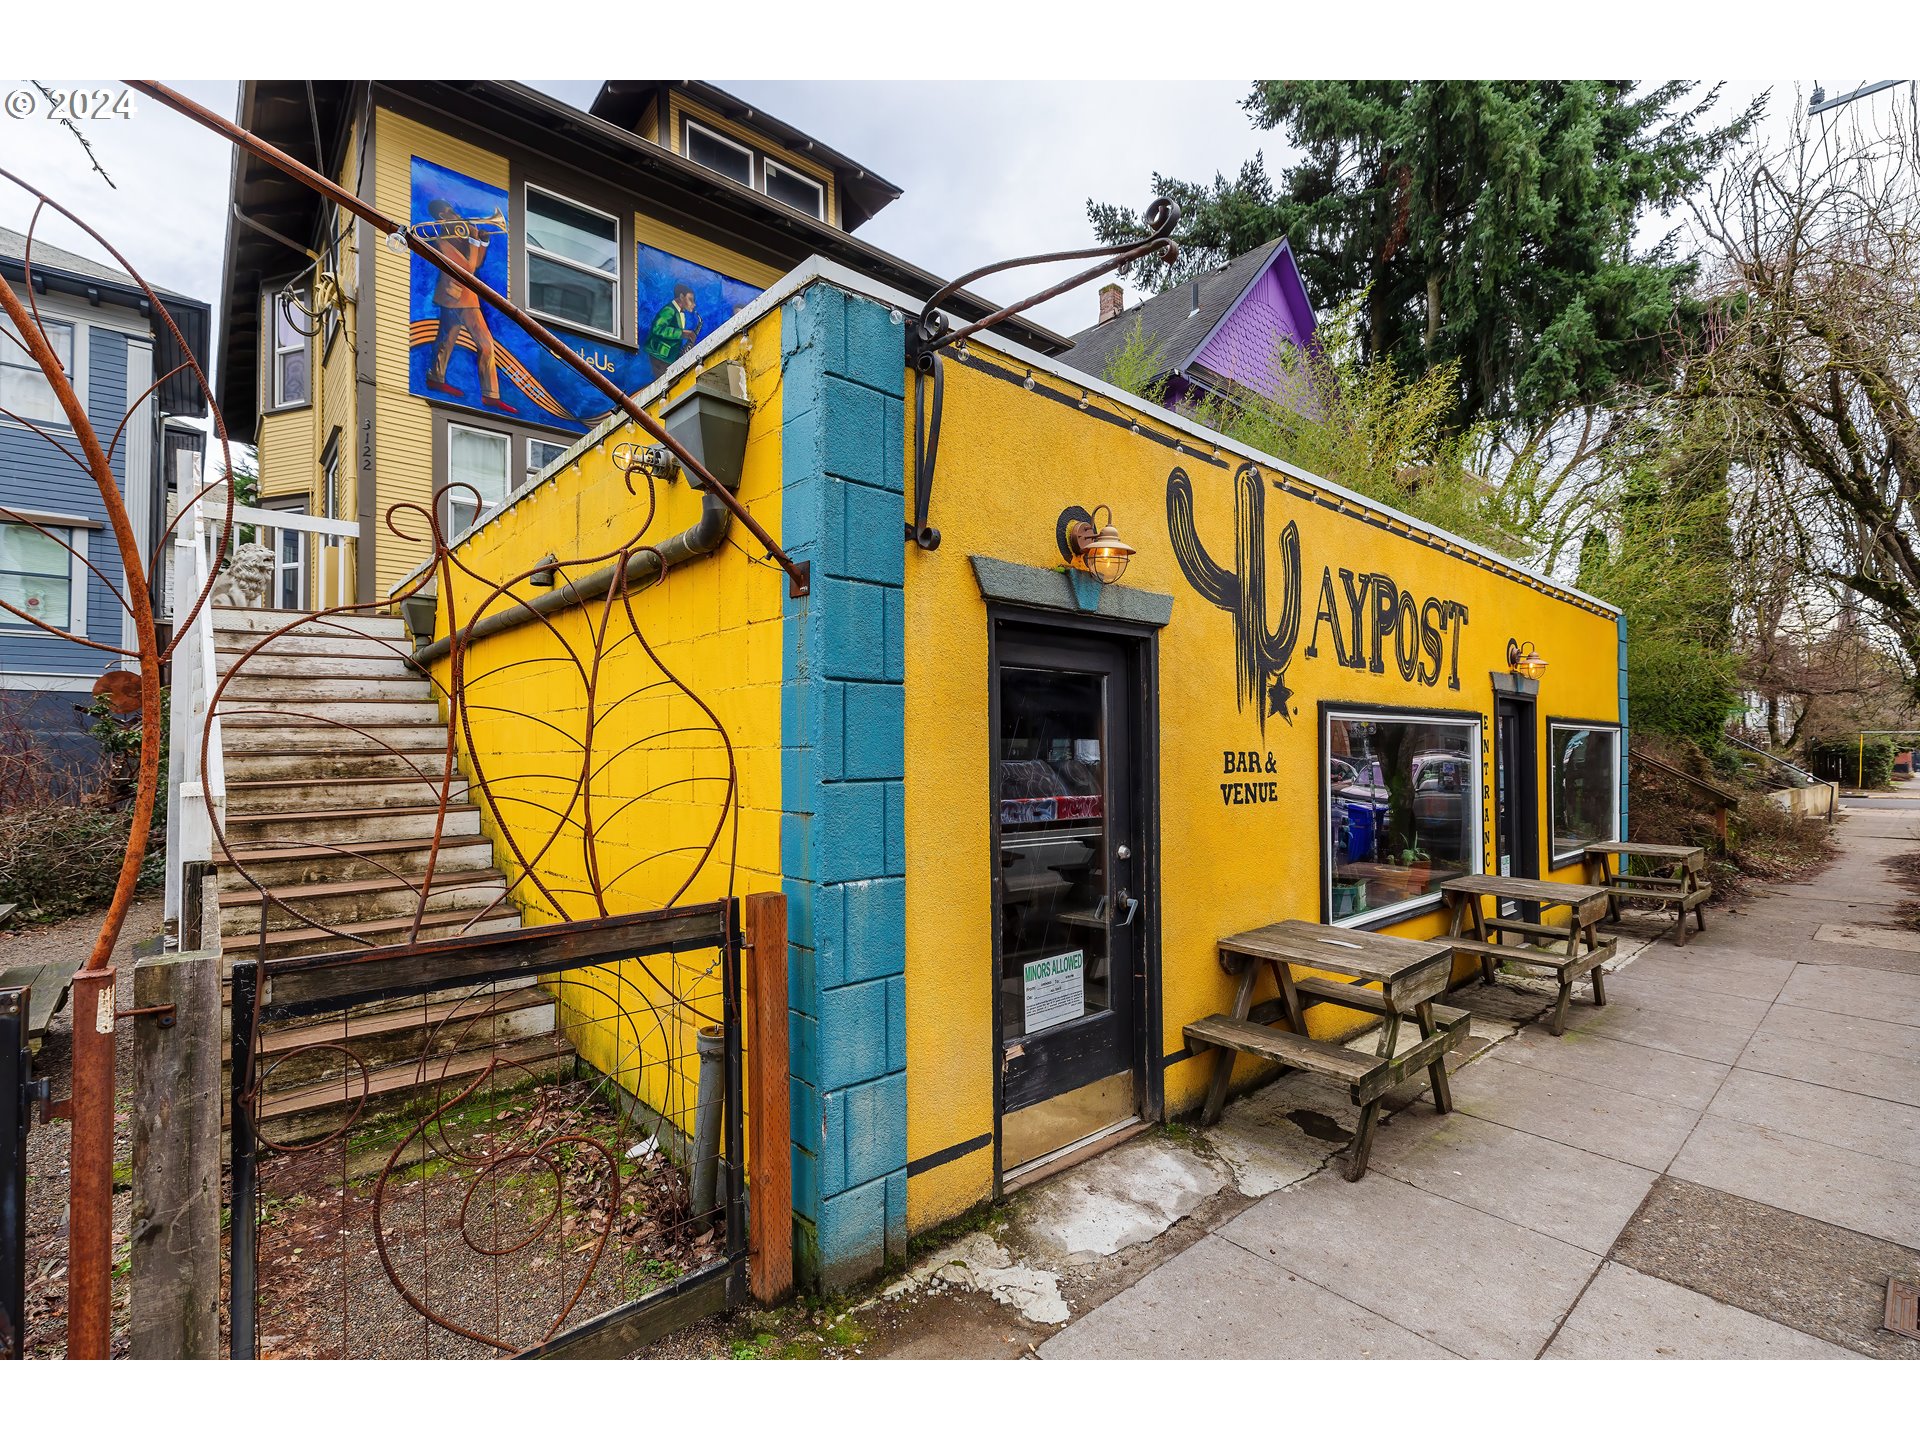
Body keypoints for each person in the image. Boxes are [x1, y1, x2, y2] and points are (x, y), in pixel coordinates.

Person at [422, 199, 516, 414]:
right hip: (458, 298)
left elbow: (478, 262)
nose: (454, 215)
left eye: (453, 211)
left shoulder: (460, 236)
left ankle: (436, 378)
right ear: (440, 218)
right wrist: (474, 243)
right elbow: (467, 268)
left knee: (446, 339)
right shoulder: (441, 240)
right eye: (447, 213)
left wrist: (481, 243)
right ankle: (490, 395)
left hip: (456, 297)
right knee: (485, 344)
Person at [645, 282, 703, 381]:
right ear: (681, 296)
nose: (694, 304)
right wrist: (682, 333)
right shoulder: (669, 310)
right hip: (660, 355)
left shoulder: (680, 312)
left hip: (667, 356)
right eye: (691, 300)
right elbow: (657, 329)